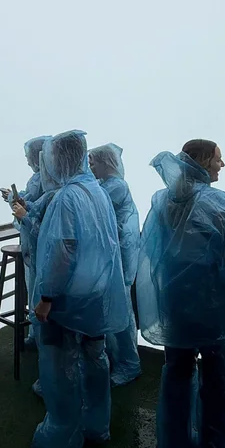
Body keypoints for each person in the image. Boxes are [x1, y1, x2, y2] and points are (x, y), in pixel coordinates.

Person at [136, 139, 225, 448]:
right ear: (204, 160)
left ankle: (174, 447)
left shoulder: (162, 199)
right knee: (220, 381)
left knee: (177, 371)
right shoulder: (217, 201)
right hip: (213, 305)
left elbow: (153, 250)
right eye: (218, 160)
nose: (222, 166)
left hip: (176, 303)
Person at [30, 130, 131, 448]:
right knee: (94, 356)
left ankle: (62, 437)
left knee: (62, 368)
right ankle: (95, 425)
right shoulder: (96, 191)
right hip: (94, 294)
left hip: (69, 298)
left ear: (59, 159)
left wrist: (47, 296)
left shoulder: (67, 197)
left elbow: (63, 250)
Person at [88, 143, 142, 386]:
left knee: (120, 310)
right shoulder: (104, 185)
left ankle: (129, 363)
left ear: (105, 163)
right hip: (112, 256)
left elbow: (93, 211)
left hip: (120, 255)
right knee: (112, 308)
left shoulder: (116, 186)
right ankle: (117, 357)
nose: (90, 166)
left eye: (93, 162)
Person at [9, 135, 53, 351]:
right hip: (34, 247)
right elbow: (35, 204)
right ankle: (36, 336)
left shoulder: (47, 183)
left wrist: (23, 213)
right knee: (37, 293)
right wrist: (16, 200)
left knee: (41, 294)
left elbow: (37, 213)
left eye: (29, 156)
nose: (27, 161)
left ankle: (41, 341)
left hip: (37, 246)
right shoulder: (42, 180)